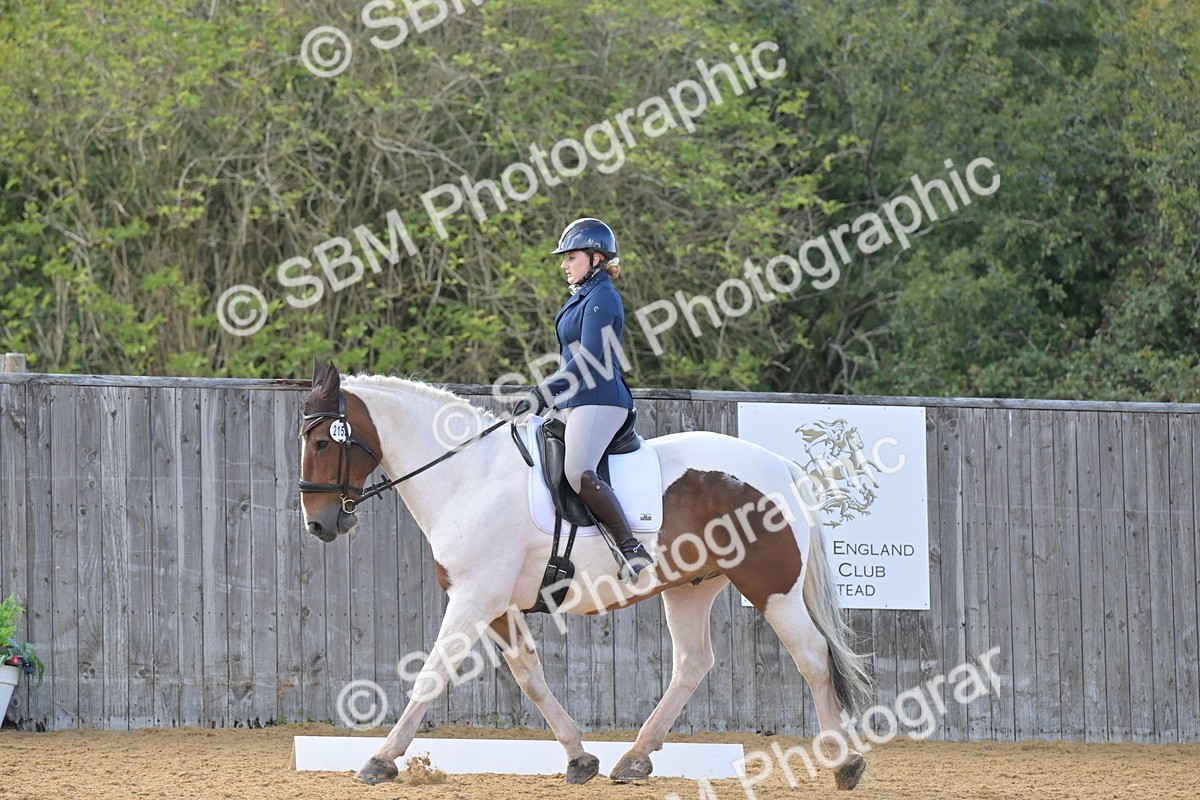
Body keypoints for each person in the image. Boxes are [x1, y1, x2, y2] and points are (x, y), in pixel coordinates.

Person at [525, 218, 654, 579]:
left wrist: (545, 391)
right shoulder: (584, 295)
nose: (564, 264)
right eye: (564, 258)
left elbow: (592, 358)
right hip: (575, 399)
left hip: (600, 398)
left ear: (596, 258)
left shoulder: (602, 296)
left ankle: (631, 548)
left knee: (577, 470)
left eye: (571, 257)